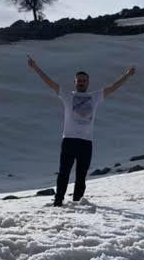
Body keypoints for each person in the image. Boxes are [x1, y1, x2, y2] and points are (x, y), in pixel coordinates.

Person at [27, 55, 135, 206]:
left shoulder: (95, 97)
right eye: (79, 80)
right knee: (64, 173)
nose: (82, 82)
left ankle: (77, 202)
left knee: (81, 175)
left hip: (86, 142)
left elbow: (113, 88)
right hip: (69, 141)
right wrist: (35, 68)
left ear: (88, 82)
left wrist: (127, 75)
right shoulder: (67, 95)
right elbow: (50, 83)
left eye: (84, 80)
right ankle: (58, 201)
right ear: (75, 82)